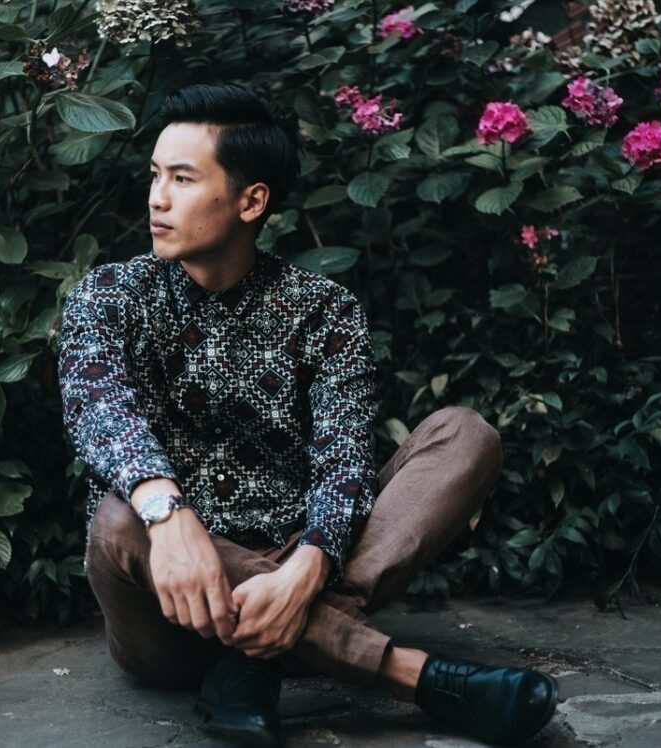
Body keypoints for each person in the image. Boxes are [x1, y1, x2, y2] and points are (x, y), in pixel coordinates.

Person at [57, 83, 558, 747]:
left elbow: (344, 457)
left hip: (300, 570)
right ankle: (413, 674)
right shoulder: (109, 295)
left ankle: (257, 660)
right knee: (119, 518)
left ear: (251, 201)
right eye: (155, 175)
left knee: (466, 434)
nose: (156, 198)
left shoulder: (323, 309)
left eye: (182, 178)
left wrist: (309, 565)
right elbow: (97, 407)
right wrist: (169, 517)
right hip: (169, 610)